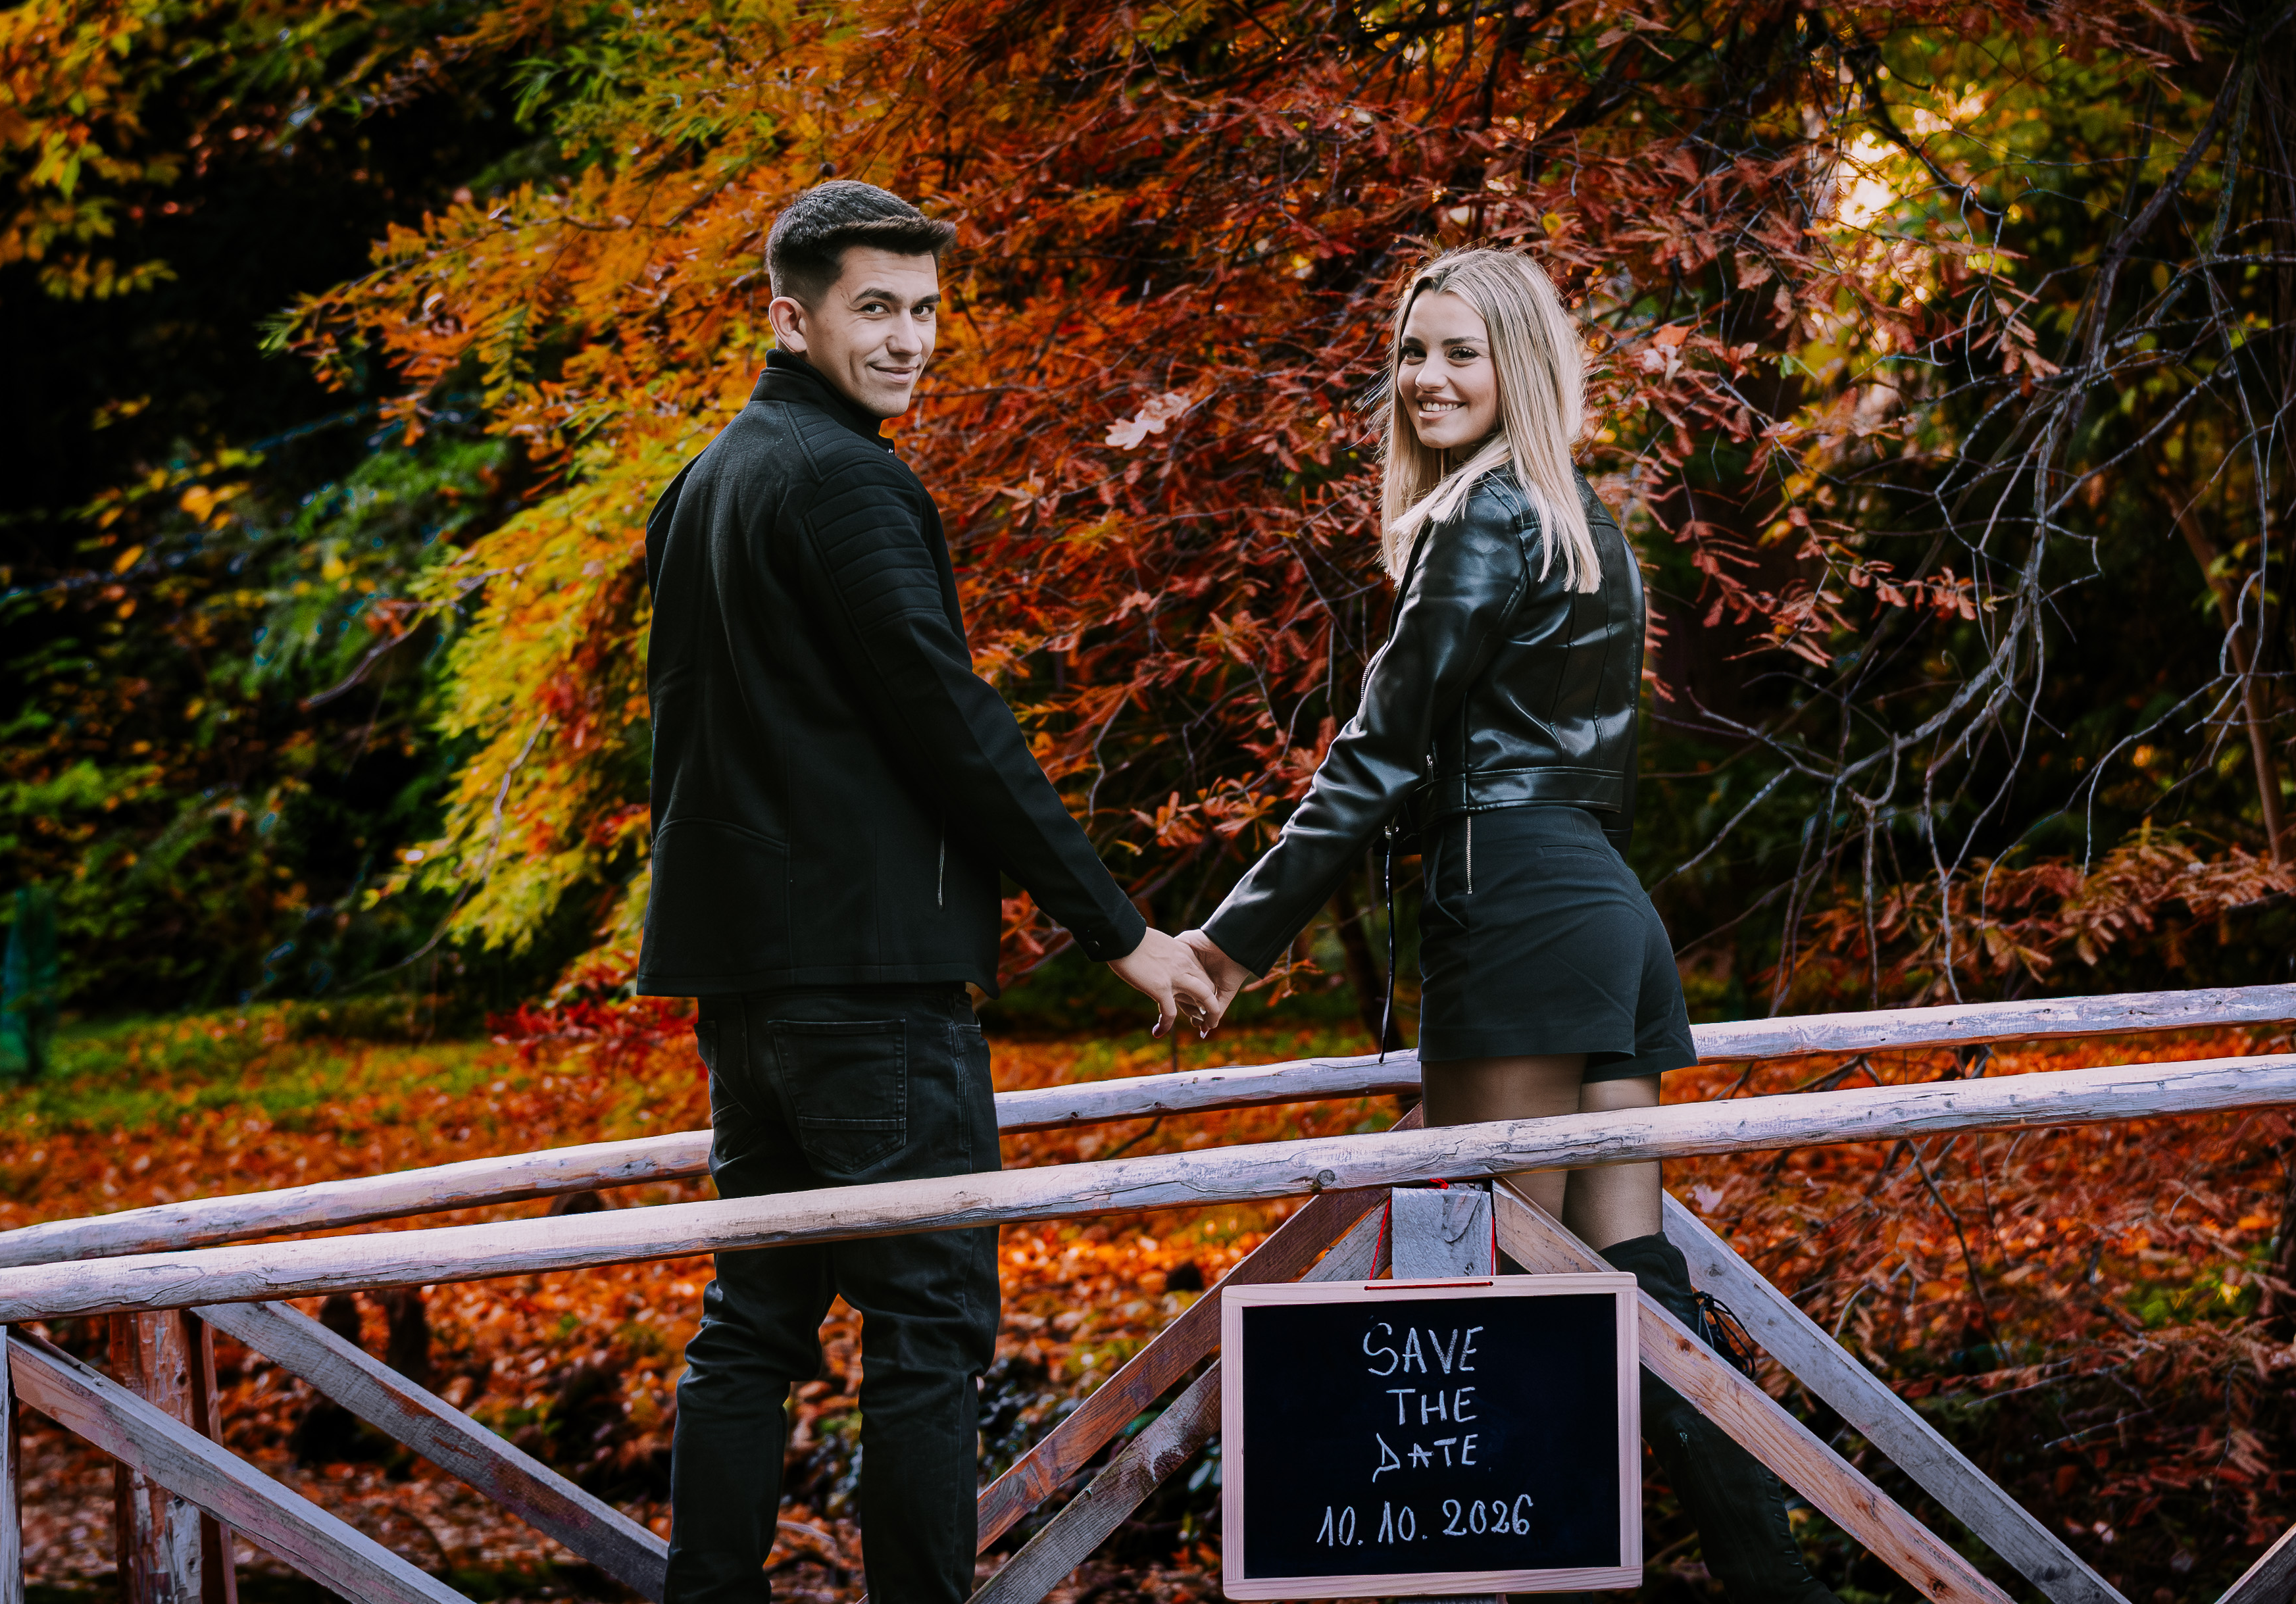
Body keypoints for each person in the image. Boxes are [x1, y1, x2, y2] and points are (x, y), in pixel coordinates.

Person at [1176, 247, 1839, 1604]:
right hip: (1602, 913)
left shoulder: (1481, 518)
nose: (1425, 378)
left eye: (1459, 353)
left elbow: (1376, 755)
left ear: (1519, 366)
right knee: (1633, 1282)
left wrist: (1229, 944)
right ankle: (1783, 1590)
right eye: (1411, 353)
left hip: (1518, 914)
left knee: (1490, 1311)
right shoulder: (1579, 518)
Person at [637, 179, 1215, 1604]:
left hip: (750, 992)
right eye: (875, 309)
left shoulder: (707, 481)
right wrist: (1119, 930)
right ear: (791, 318)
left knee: (752, 1327)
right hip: (871, 986)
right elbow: (950, 724)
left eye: (926, 309)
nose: (908, 340)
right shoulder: (846, 481)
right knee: (927, 1327)